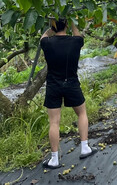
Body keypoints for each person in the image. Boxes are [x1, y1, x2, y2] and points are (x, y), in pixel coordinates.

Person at [40, 18, 95, 169]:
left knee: (54, 122)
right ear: (66, 26)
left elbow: (43, 37)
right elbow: (78, 34)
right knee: (82, 113)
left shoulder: (47, 43)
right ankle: (84, 148)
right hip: (71, 83)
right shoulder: (75, 42)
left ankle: (54, 159)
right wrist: (72, 22)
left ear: (53, 26)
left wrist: (51, 26)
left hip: (53, 85)